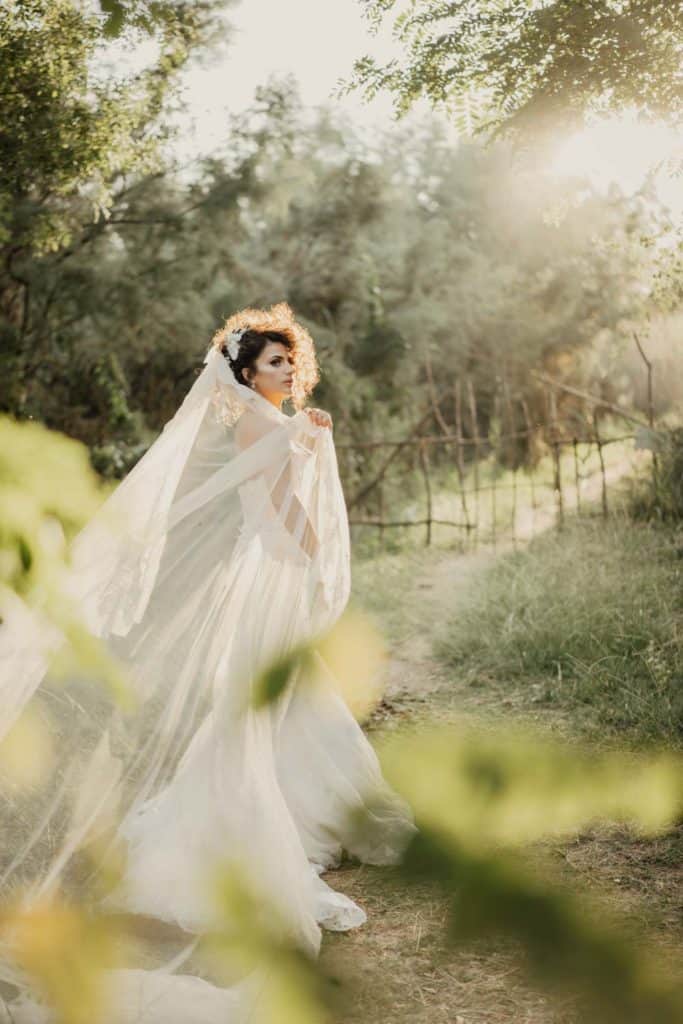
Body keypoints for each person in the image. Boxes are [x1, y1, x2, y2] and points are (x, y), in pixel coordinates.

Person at [0, 302, 416, 1022]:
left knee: (284, 699)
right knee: (257, 707)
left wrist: (307, 442)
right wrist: (314, 545)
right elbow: (282, 509)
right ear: (246, 373)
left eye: (290, 360)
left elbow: (285, 482)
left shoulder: (271, 421)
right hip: (272, 572)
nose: (286, 369)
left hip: (268, 573)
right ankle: (239, 836)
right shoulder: (260, 421)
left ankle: (298, 806)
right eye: (272, 362)